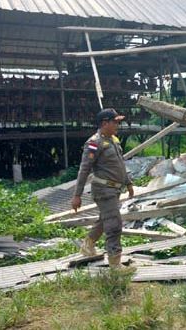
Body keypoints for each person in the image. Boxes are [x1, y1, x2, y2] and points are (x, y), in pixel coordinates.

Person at [71, 108, 134, 268]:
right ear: (105, 123)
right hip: (103, 190)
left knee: (104, 220)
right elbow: (84, 169)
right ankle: (115, 264)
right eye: (115, 122)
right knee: (114, 224)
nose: (118, 125)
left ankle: (88, 244)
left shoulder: (114, 140)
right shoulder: (94, 143)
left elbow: (120, 163)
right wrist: (77, 195)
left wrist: (128, 183)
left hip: (115, 189)